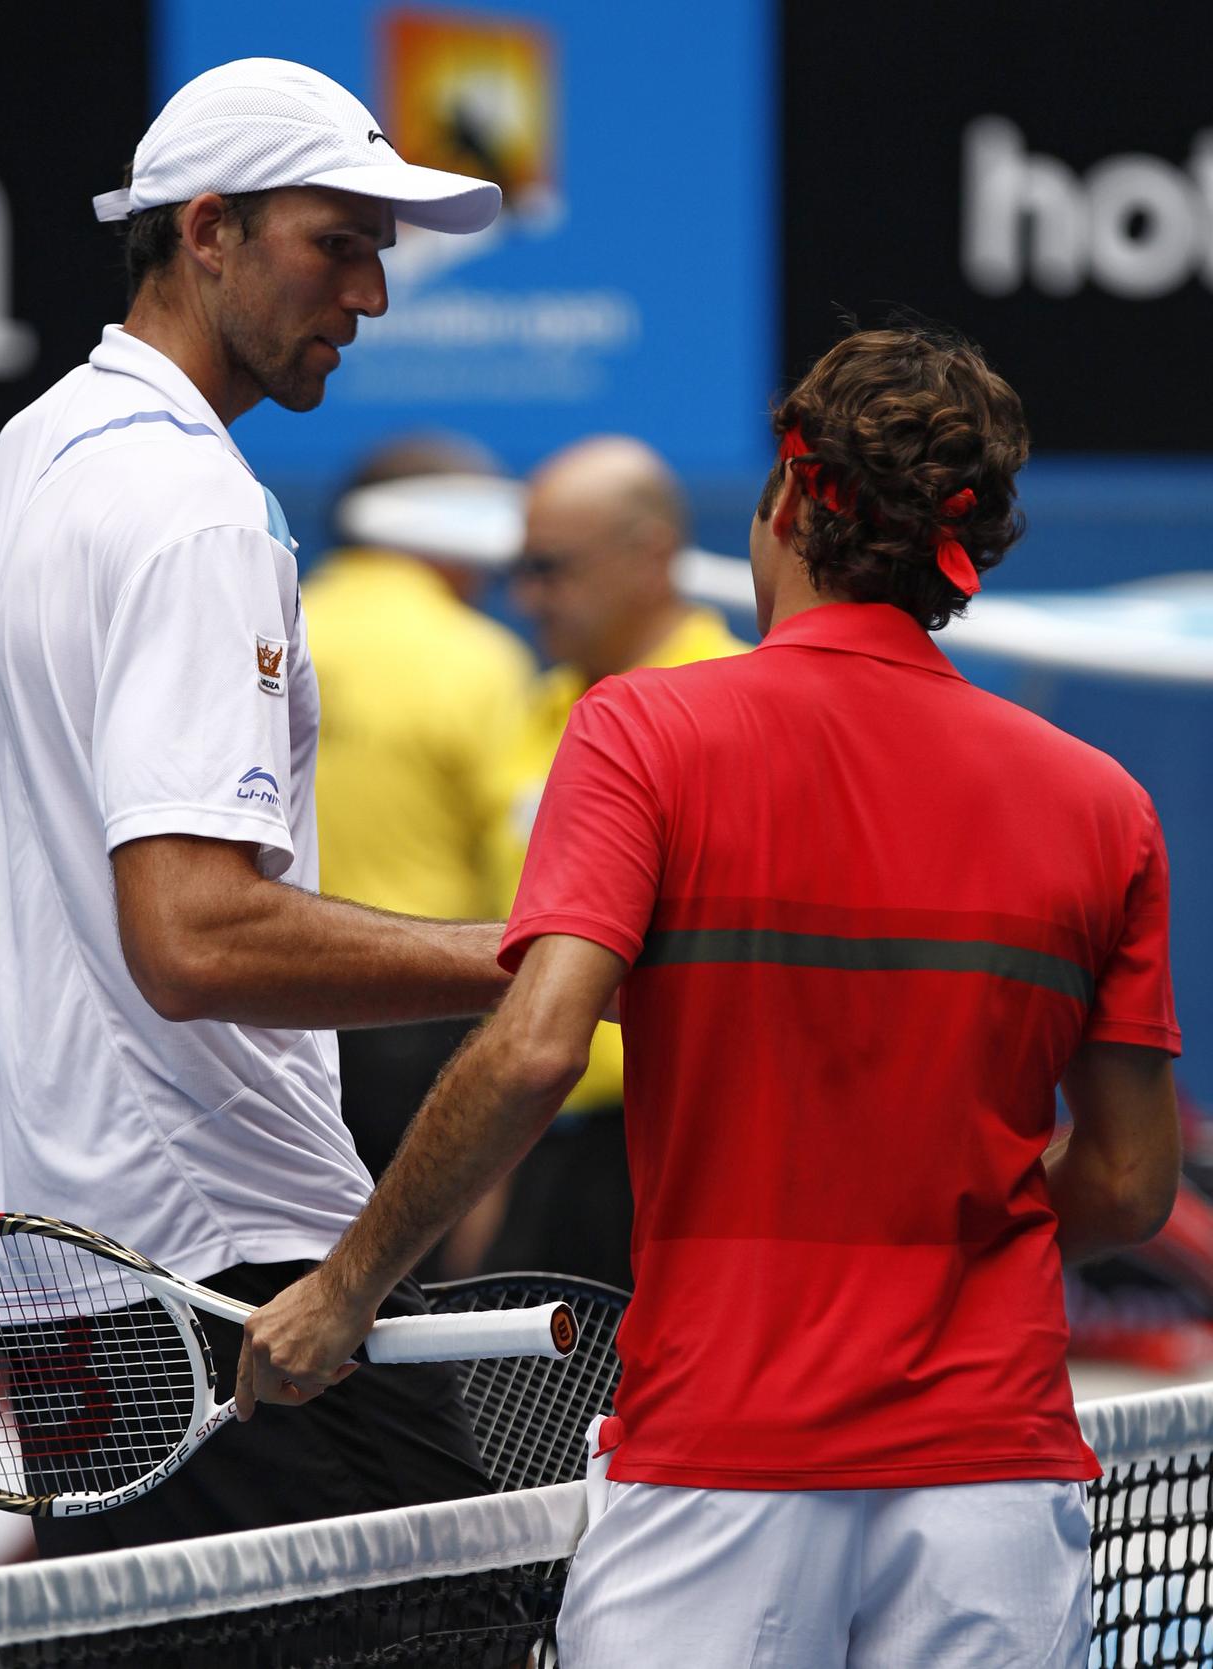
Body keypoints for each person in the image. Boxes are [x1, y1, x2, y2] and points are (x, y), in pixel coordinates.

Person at [236, 324, 1183, 1668]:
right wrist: (965, 1263)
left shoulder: (640, 732)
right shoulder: (1106, 807)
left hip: (717, 1465)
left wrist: (345, 1286)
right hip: (990, 1475)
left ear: (791, 503)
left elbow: (533, 1049)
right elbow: (1133, 1184)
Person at [0, 56, 509, 1556]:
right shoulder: (198, 509)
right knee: (482, 1604)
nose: (371, 297)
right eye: (339, 243)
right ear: (208, 231)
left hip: (72, 1271)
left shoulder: (38, 450)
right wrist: (544, 954)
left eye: (380, 254)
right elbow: (193, 938)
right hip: (220, 1269)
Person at [469, 435, 746, 1287]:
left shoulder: (743, 704)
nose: (527, 595)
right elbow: (507, 965)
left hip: (701, 1154)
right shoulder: (534, 709)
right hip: (546, 1148)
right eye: (521, 567)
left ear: (650, 555)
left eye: (552, 567)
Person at [302, 437, 533, 1193]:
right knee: (414, 1283)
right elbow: (521, 861)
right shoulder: (478, 660)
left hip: (263, 1007)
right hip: (421, 1004)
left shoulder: (273, 629)